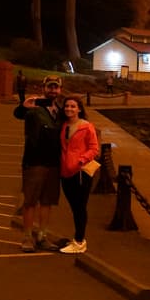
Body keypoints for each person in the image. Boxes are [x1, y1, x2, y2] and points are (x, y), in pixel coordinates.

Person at [11, 76, 63, 251]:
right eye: (50, 87)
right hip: (34, 161)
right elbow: (18, 114)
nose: (53, 90)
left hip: (54, 162)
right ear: (44, 88)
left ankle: (42, 236)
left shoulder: (61, 110)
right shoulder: (34, 106)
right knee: (30, 201)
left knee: (47, 201)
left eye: (56, 88)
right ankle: (27, 237)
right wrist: (23, 106)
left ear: (60, 90)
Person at [58, 94, 100, 255]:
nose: (69, 109)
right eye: (67, 106)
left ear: (79, 109)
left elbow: (94, 149)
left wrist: (81, 160)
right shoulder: (63, 125)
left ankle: (80, 241)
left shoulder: (87, 126)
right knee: (74, 207)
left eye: (73, 106)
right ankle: (77, 238)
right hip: (66, 172)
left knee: (80, 207)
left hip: (81, 173)